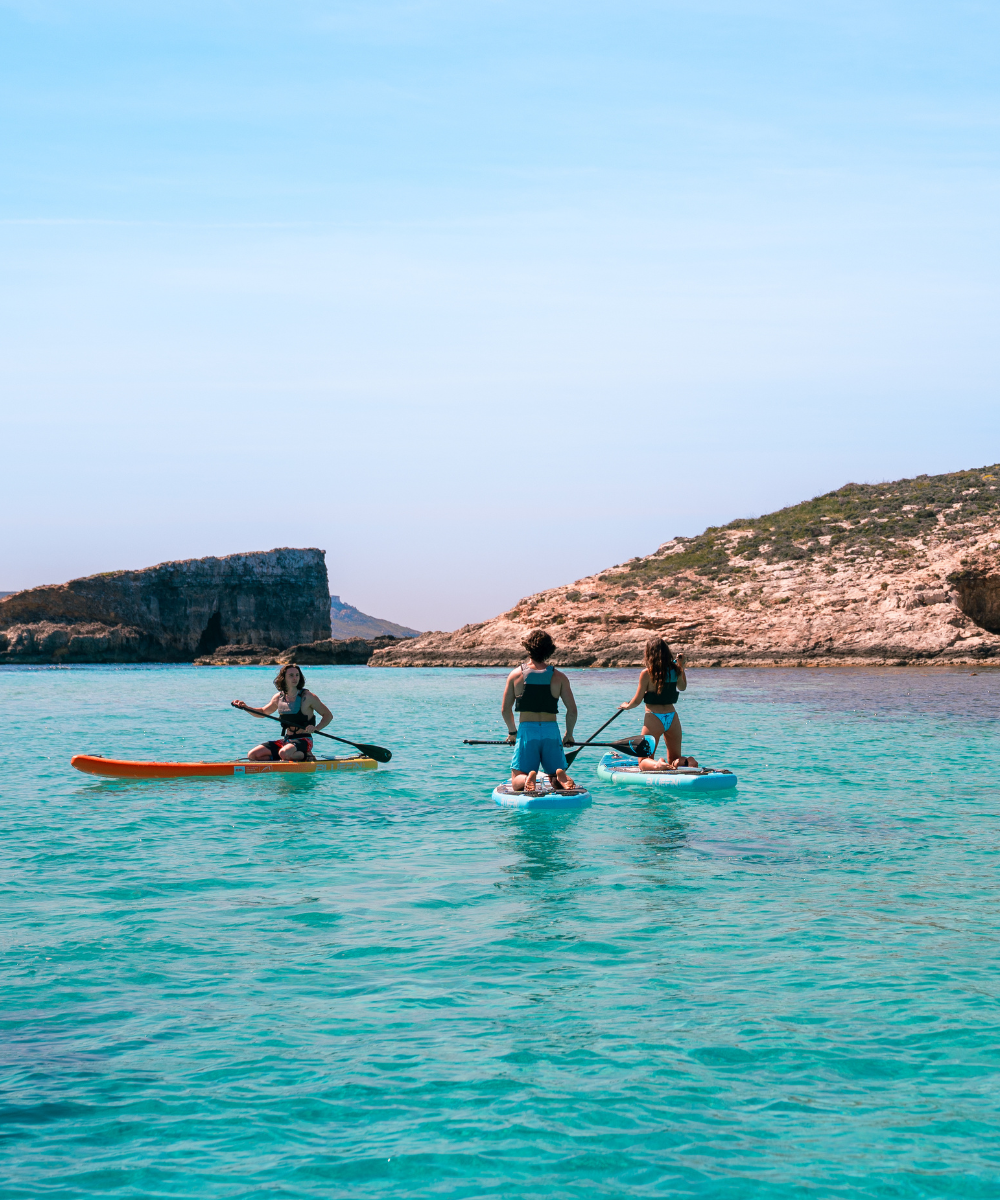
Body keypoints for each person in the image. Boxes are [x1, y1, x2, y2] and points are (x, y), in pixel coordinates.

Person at [501, 630, 578, 791]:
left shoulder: (516, 675)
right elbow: (572, 710)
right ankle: (559, 776)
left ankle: (527, 777)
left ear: (528, 649)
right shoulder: (559, 677)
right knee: (554, 779)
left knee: (516, 781)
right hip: (551, 731)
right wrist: (568, 734)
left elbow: (505, 710)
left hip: (527, 731)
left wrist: (512, 732)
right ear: (549, 650)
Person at [618, 637, 699, 771]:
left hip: (654, 717)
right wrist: (681, 666)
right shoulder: (675, 670)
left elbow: (637, 700)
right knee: (674, 760)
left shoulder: (646, 673)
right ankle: (688, 761)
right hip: (672, 717)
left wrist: (626, 706)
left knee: (643, 761)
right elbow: (682, 687)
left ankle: (658, 764)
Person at [233, 664, 333, 762]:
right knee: (252, 755)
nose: (295, 678)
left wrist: (316, 728)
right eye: (291, 675)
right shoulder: (278, 698)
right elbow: (263, 712)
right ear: (284, 678)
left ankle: (305, 755)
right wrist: (246, 708)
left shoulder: (307, 697)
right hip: (287, 740)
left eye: (297, 675)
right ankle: (283, 759)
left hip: (304, 740)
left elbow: (328, 715)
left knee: (284, 753)